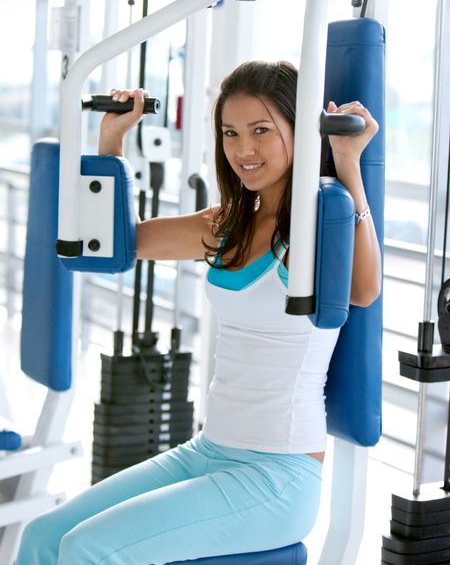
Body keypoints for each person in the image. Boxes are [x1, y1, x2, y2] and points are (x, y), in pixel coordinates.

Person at [17, 60, 381, 565]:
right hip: (209, 451)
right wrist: (112, 142)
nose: (244, 150)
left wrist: (347, 162)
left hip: (277, 475)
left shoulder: (314, 229)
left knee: (88, 548)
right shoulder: (226, 224)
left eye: (261, 131)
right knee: (43, 534)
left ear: (300, 131)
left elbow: (363, 290)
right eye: (231, 133)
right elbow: (119, 244)